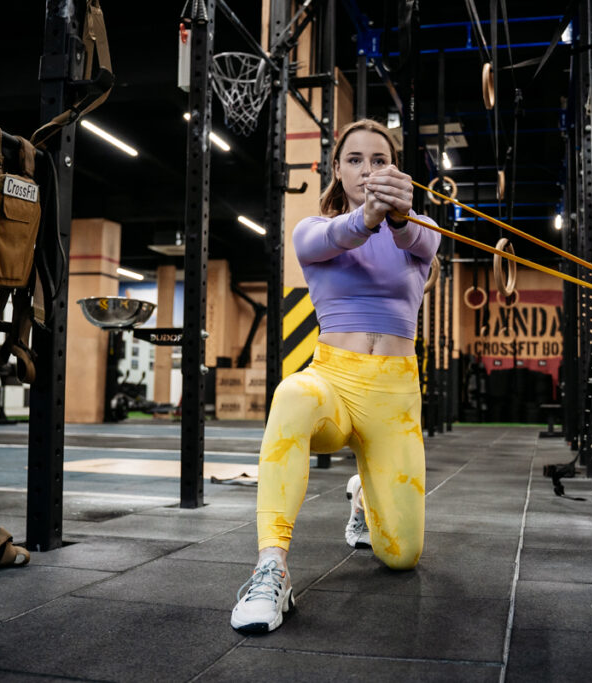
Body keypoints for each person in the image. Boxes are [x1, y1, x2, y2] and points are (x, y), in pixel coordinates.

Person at [230, 118, 440, 634]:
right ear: (337, 170)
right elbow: (339, 235)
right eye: (355, 160)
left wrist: (399, 214)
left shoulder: (421, 231)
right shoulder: (311, 231)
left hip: (395, 394)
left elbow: (421, 244)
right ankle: (270, 567)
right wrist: (370, 215)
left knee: (401, 557)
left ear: (394, 168)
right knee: (292, 394)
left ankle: (363, 494)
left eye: (379, 160)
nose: (367, 169)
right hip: (334, 383)